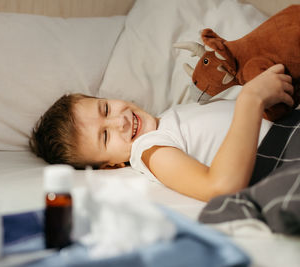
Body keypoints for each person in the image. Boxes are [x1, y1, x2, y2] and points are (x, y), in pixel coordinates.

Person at [30, 64, 295, 201]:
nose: (118, 122)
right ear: (109, 166)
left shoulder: (170, 116)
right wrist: (251, 99)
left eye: (106, 108)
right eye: (105, 136)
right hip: (283, 154)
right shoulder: (149, 150)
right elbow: (218, 187)